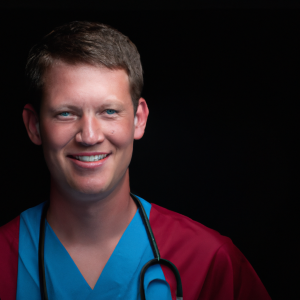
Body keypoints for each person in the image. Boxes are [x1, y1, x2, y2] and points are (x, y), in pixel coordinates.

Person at [0, 21, 271, 300]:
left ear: (139, 120)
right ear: (34, 126)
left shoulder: (209, 261)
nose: (89, 136)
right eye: (66, 114)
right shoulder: (4, 259)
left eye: (109, 111)